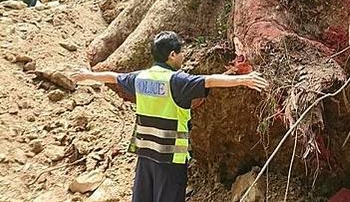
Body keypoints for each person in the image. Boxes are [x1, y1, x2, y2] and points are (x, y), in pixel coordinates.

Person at [73, 31, 267, 202]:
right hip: (171, 155)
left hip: (145, 151)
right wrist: (243, 79)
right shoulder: (176, 80)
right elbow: (209, 81)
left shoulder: (140, 77)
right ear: (172, 55)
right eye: (181, 52)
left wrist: (88, 75)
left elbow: (113, 77)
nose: (183, 56)